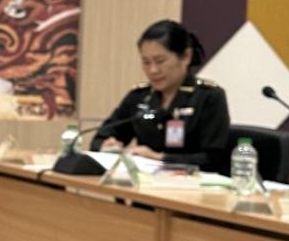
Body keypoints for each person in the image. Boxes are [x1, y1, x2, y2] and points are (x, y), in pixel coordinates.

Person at [91, 19, 231, 172]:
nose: (153, 70)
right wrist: (107, 145)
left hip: (191, 184)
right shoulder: (139, 97)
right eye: (146, 62)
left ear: (186, 56)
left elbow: (213, 159)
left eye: (160, 61)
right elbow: (100, 138)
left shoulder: (209, 97)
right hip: (145, 183)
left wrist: (160, 158)